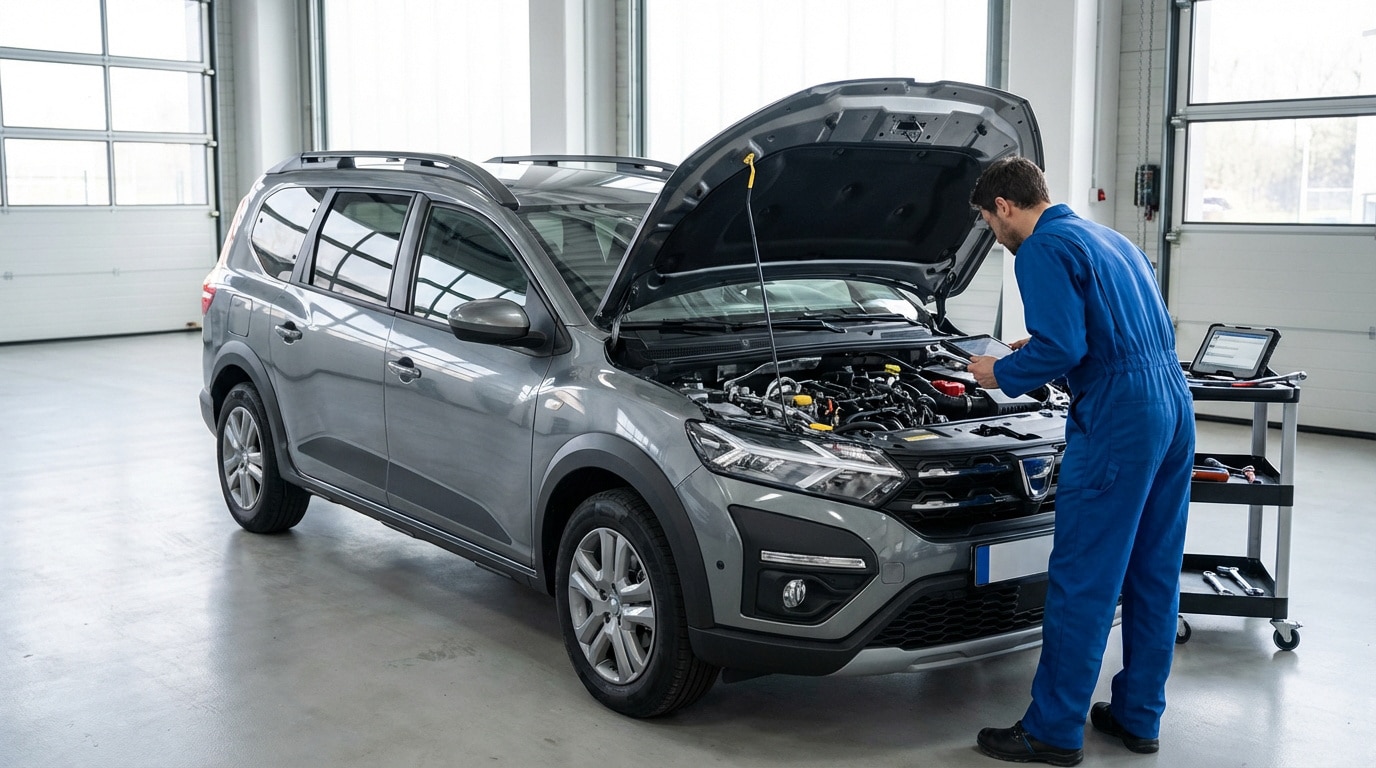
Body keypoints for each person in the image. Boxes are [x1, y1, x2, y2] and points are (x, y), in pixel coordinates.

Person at [964, 156, 1195, 766]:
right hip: (1172, 403)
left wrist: (1001, 370)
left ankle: (1053, 729)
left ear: (1005, 207)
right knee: (1153, 569)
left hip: (1120, 415)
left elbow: (1066, 346)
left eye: (989, 222)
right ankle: (1138, 716)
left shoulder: (1040, 250)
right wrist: (1043, 349)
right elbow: (1119, 329)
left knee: (1084, 576)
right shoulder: (1107, 235)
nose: (995, 235)